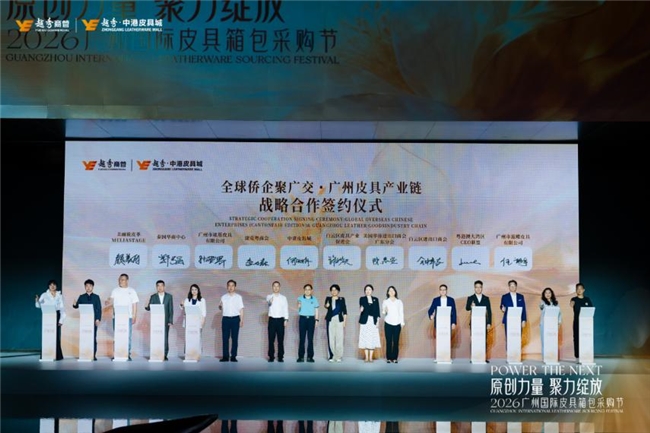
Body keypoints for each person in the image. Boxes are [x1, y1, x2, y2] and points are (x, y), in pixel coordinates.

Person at [106, 273, 139, 360]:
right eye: (120, 279)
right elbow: (111, 300)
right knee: (117, 336)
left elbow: (134, 304)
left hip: (128, 317)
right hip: (116, 317)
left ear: (127, 281)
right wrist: (108, 301)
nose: (121, 281)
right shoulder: (115, 290)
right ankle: (117, 354)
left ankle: (127, 354)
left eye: (123, 280)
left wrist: (134, 316)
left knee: (127, 336)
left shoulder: (132, 291)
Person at [34, 279, 66, 360]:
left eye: (54, 285)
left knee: (55, 335)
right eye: (51, 285)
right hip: (47, 315)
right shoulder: (44, 295)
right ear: (48, 286)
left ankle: (57, 356)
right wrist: (37, 301)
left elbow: (62, 308)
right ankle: (45, 354)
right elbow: (38, 306)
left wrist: (61, 320)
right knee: (47, 334)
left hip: (56, 315)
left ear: (56, 286)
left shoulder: (59, 295)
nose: (52, 286)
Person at [72, 279, 102, 360]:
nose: (88, 288)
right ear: (85, 287)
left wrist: (98, 319)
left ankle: (93, 355)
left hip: (93, 321)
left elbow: (99, 309)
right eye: (87, 286)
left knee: (93, 337)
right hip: (84, 321)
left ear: (93, 287)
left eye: (90, 286)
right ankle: (84, 354)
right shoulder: (81, 297)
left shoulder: (96, 297)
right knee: (84, 337)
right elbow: (77, 306)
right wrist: (74, 304)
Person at [145, 280, 174, 360]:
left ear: (164, 287)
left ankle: (164, 354)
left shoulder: (169, 296)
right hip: (156, 320)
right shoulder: (153, 296)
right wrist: (146, 307)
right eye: (158, 286)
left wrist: (170, 320)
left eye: (161, 286)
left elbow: (171, 309)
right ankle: (156, 353)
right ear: (156, 287)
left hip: (165, 320)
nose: (160, 287)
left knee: (165, 337)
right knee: (156, 337)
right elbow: (149, 307)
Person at [465, 279, 492, 360]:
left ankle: (483, 358)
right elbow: (467, 308)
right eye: (476, 287)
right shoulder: (470, 298)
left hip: (484, 322)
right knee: (474, 339)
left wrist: (489, 323)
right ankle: (474, 358)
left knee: (483, 340)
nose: (478, 289)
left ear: (482, 288)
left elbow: (489, 311)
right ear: (474, 288)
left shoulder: (486, 298)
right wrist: (471, 306)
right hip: (474, 322)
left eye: (480, 287)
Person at [219, 279, 244, 362]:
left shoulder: (239, 297)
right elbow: (220, 307)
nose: (231, 287)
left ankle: (233, 356)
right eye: (229, 285)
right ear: (227, 287)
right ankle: (225, 357)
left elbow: (241, 309)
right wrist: (220, 306)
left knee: (235, 338)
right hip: (225, 319)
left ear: (235, 287)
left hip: (235, 319)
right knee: (225, 338)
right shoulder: (223, 297)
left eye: (232, 285)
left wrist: (241, 320)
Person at [180, 284, 207, 358]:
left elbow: (204, 312)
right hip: (189, 322)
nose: (194, 291)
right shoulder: (187, 300)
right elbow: (183, 309)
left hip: (198, 322)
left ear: (198, 291)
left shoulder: (202, 300)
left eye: (195, 289)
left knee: (197, 338)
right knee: (189, 338)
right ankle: (188, 354)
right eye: (192, 290)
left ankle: (197, 354)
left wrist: (203, 320)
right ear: (190, 291)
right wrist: (182, 305)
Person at [266, 281, 289, 362]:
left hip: (280, 320)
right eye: (274, 286)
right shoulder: (269, 296)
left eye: (277, 286)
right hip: (272, 320)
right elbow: (268, 304)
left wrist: (286, 319)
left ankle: (280, 357)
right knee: (271, 340)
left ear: (279, 287)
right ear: (272, 287)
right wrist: (270, 301)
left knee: (280, 340)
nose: (276, 288)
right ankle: (271, 357)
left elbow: (285, 309)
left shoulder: (283, 298)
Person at [324, 284, 347, 362]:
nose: (334, 291)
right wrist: (327, 305)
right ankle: (332, 356)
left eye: (335, 290)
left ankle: (338, 356)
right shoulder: (328, 298)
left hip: (339, 319)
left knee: (339, 338)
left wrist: (344, 322)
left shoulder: (342, 299)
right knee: (331, 338)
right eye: (332, 290)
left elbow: (345, 311)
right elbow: (326, 305)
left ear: (338, 291)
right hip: (330, 319)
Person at [570, 282, 594, 359]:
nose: (579, 290)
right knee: (576, 338)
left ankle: (586, 354)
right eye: (577, 289)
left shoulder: (587, 299)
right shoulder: (574, 299)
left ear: (583, 290)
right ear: (576, 290)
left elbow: (591, 309)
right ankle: (577, 356)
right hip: (577, 322)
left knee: (585, 338)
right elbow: (571, 304)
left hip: (586, 323)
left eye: (581, 289)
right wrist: (572, 303)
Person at [358, 284, 381, 362]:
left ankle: (371, 357)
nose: (368, 291)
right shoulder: (362, 299)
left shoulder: (375, 299)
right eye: (366, 289)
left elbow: (377, 311)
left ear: (372, 291)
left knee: (372, 338)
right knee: (365, 337)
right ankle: (366, 357)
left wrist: (377, 321)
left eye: (369, 289)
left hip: (373, 320)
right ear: (365, 291)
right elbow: (361, 307)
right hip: (365, 321)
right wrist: (361, 309)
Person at [382, 285, 405, 363]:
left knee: (396, 341)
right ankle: (388, 358)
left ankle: (395, 358)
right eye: (390, 291)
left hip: (397, 323)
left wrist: (402, 323)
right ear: (388, 293)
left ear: (395, 292)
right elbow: (383, 312)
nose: (391, 292)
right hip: (388, 323)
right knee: (388, 341)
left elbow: (401, 313)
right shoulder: (385, 301)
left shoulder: (399, 302)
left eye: (393, 290)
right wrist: (385, 310)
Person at [297, 283, 319, 362]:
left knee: (310, 339)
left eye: (309, 289)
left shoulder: (314, 299)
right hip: (302, 319)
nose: (307, 291)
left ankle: (310, 357)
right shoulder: (300, 298)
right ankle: (301, 357)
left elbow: (316, 310)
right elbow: (298, 308)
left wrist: (316, 320)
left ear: (311, 290)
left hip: (311, 320)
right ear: (304, 290)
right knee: (302, 338)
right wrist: (299, 306)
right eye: (306, 289)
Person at [539, 287, 561, 358]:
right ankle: (545, 357)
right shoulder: (542, 303)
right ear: (544, 294)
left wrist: (559, 323)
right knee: (544, 341)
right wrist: (542, 306)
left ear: (552, 294)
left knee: (552, 340)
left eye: (549, 293)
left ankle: (552, 357)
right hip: (544, 325)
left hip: (553, 325)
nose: (548, 294)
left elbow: (559, 313)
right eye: (546, 293)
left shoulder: (556, 303)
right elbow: (541, 309)